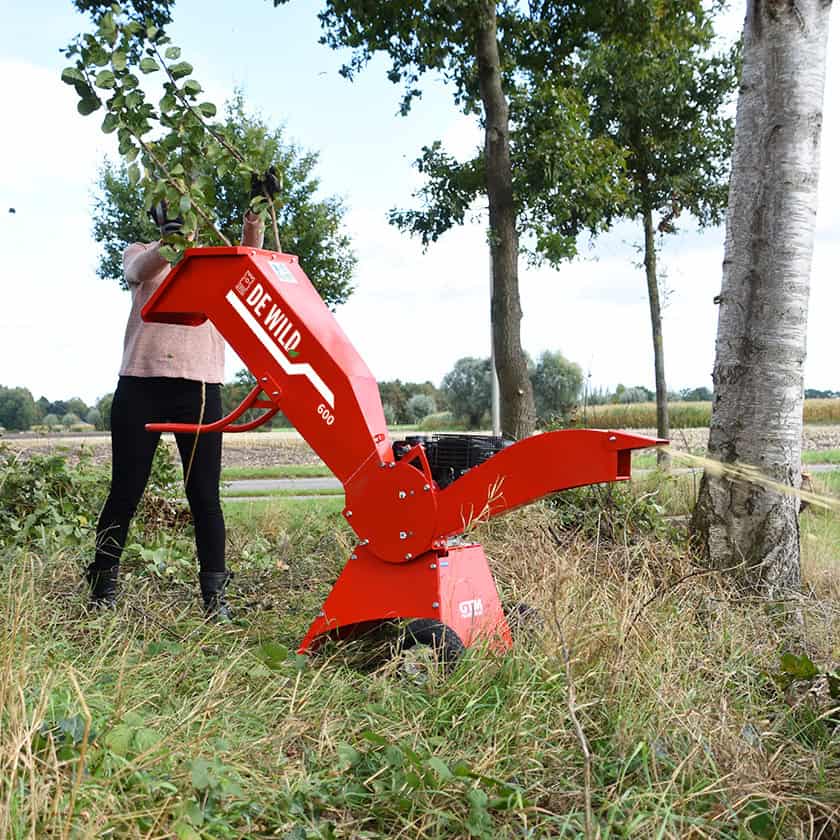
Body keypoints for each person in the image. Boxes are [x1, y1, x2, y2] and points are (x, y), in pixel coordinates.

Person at [86, 174, 278, 618]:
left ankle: (215, 599)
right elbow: (138, 270)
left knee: (204, 496)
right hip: (140, 385)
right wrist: (170, 240)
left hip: (200, 388)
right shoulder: (140, 252)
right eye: (170, 209)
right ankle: (102, 587)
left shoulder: (211, 261)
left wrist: (256, 212)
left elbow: (249, 259)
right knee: (125, 491)